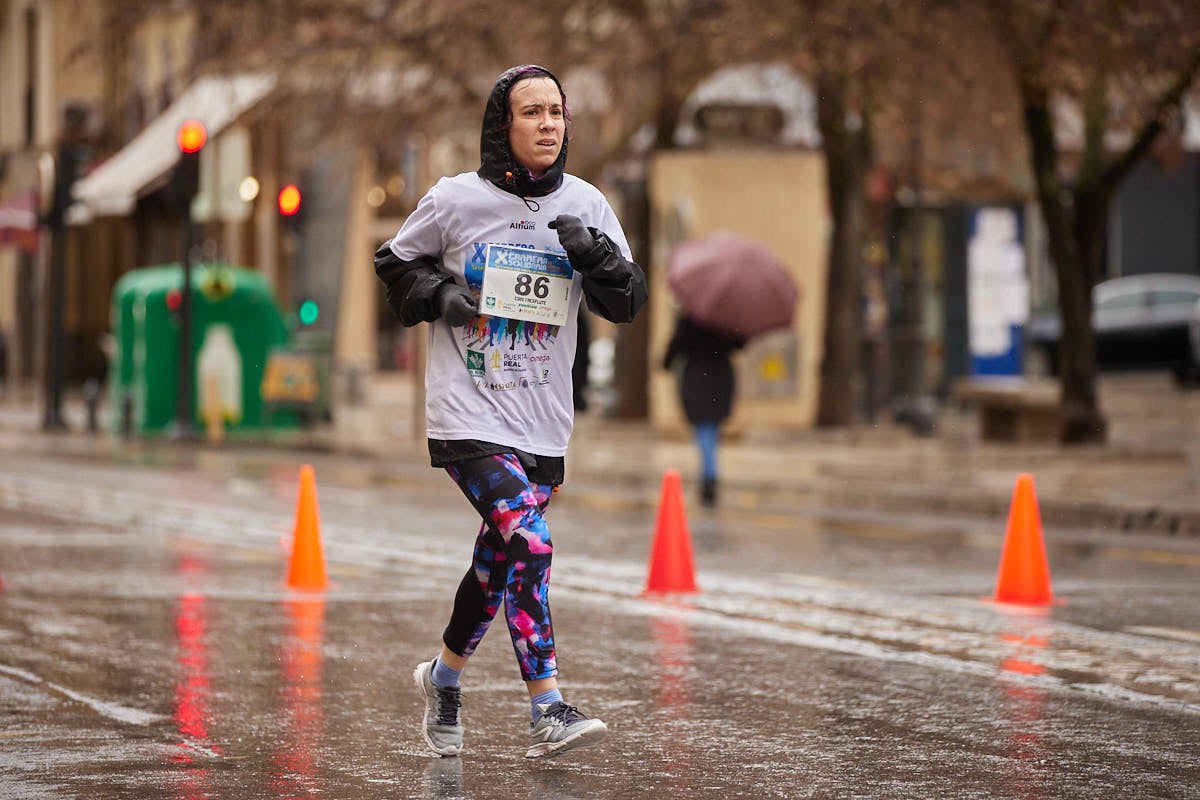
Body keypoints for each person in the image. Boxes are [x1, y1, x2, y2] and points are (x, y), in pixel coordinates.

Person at [374, 65, 647, 760]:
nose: (549, 124)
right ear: (503, 126)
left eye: (557, 112)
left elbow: (628, 301)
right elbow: (396, 263)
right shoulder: (454, 200)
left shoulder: (586, 203)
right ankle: (547, 709)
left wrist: (601, 260)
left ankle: (442, 678)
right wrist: (441, 296)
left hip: (543, 417)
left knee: (498, 563)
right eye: (532, 112)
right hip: (469, 412)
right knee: (530, 542)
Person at [662, 314, 745, 507]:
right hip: (720, 378)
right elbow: (739, 343)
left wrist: (667, 362)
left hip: (697, 378)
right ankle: (710, 471)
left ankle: (709, 474)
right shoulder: (726, 319)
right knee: (710, 427)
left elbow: (676, 346)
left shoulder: (690, 318)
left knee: (704, 428)